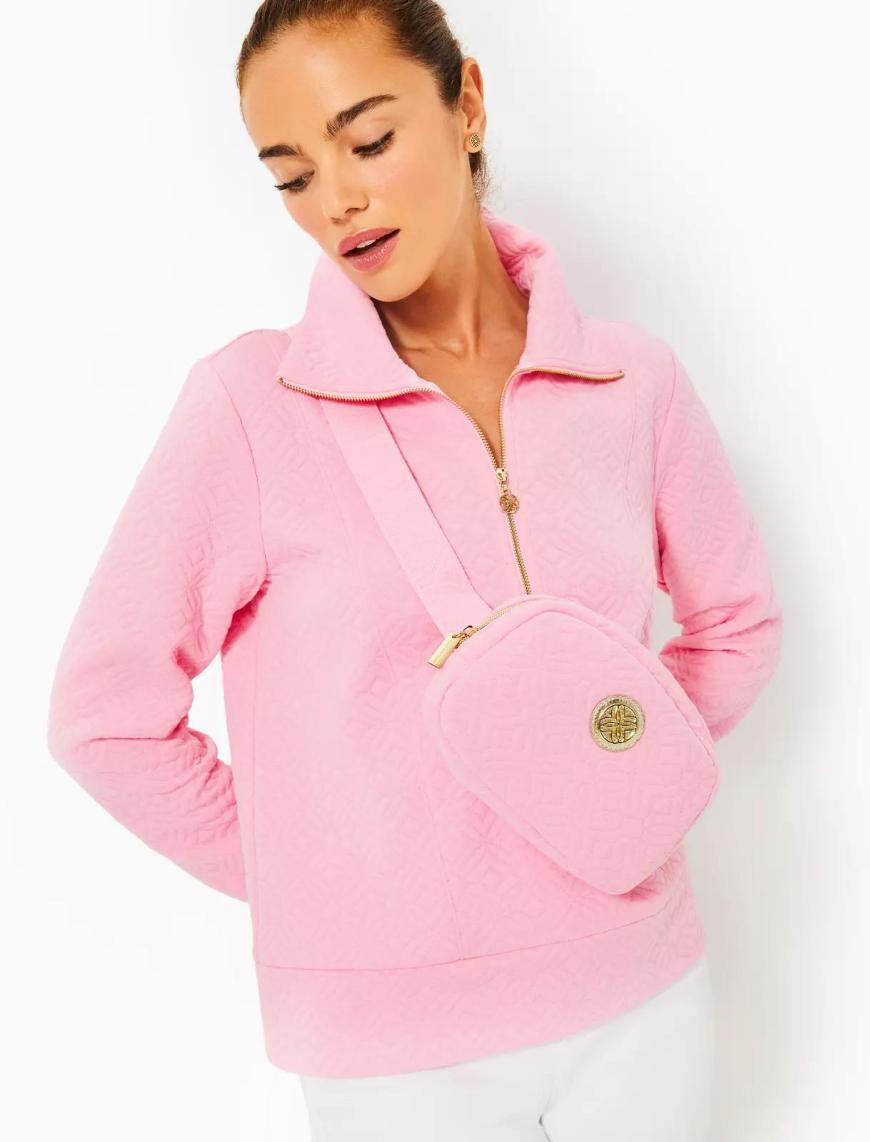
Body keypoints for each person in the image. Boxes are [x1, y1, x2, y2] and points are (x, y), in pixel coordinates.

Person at [46, 1, 783, 1138]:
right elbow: (103, 717)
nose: (334, 200)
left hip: (641, 998)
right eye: (291, 175)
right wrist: (323, 873)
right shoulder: (249, 408)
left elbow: (735, 624)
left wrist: (615, 765)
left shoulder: (631, 382)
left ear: (466, 103)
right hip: (391, 1056)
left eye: (368, 140)